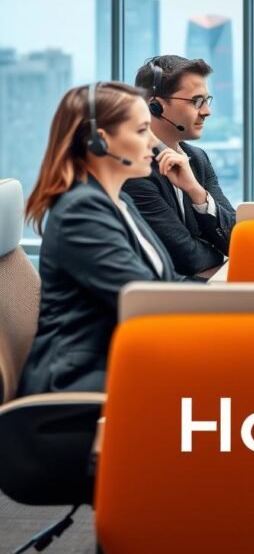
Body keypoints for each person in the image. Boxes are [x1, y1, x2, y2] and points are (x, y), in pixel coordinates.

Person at [19, 82, 188, 396]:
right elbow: (143, 298)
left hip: (120, 367)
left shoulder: (120, 201)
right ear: (99, 141)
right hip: (78, 387)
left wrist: (235, 294)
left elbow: (167, 281)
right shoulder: (81, 211)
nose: (155, 144)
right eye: (141, 131)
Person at [123, 55, 236, 276]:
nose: (206, 111)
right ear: (155, 106)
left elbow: (236, 239)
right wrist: (216, 249)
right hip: (158, 299)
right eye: (196, 101)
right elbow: (186, 258)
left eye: (207, 100)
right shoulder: (135, 169)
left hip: (199, 286)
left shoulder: (197, 159)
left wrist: (196, 191)